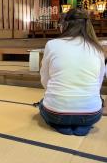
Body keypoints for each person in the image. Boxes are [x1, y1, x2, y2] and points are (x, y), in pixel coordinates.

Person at [39, 8, 105, 136]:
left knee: (43, 103)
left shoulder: (52, 44)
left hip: (56, 113)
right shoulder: (97, 48)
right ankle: (83, 126)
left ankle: (61, 125)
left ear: (64, 25)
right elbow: (98, 82)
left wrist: (57, 93)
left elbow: (45, 79)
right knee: (90, 104)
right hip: (91, 114)